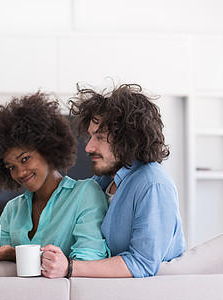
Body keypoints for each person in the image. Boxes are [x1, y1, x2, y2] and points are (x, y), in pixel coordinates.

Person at [41, 83, 186, 278]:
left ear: (129, 140)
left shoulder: (153, 185)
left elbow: (143, 264)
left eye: (100, 137)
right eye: (91, 136)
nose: (89, 147)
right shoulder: (102, 182)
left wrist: (70, 268)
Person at [0, 92, 110, 273]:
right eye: (11, 167)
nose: (20, 172)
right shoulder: (12, 210)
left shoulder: (85, 194)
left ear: (48, 149)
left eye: (25, 159)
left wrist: (14, 254)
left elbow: (87, 262)